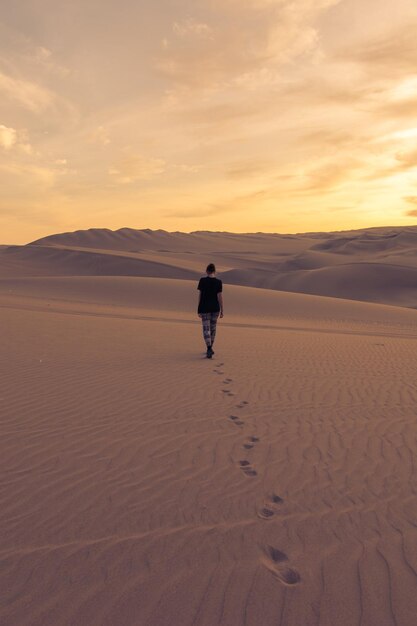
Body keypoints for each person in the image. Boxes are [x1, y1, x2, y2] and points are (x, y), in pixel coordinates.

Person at [197, 263, 223, 359]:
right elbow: (220, 297)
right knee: (213, 329)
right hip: (215, 308)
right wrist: (222, 309)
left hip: (204, 308)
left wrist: (198, 309)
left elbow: (200, 296)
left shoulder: (202, 281)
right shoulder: (218, 282)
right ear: (214, 271)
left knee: (206, 329)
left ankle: (208, 348)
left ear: (207, 271)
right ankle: (210, 347)